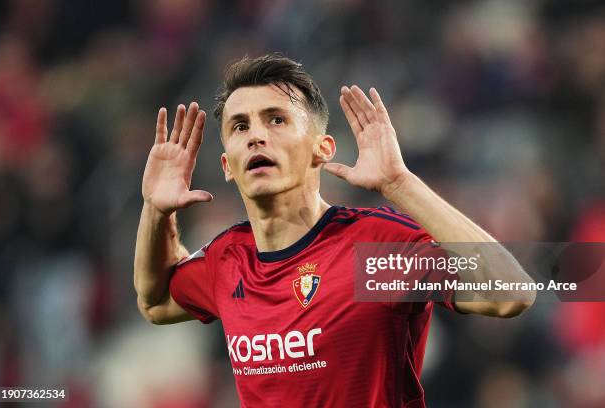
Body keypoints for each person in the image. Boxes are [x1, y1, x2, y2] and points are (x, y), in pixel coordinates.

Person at [134, 55, 535, 407]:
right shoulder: (228, 260)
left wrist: (400, 184)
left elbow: (510, 294)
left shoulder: (371, 253)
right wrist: (156, 210)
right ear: (226, 165)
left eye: (276, 119)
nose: (256, 134)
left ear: (322, 149)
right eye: (240, 126)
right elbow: (155, 302)